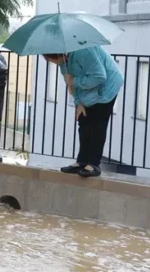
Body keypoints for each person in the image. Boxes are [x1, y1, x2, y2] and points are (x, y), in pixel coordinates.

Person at [43, 46, 124, 178]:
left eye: (49, 59)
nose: (49, 61)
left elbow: (99, 76)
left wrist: (74, 81)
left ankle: (93, 164)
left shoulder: (84, 51)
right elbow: (72, 87)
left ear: (55, 55)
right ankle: (82, 161)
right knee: (83, 121)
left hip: (108, 85)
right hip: (90, 89)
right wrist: (79, 103)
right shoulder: (63, 62)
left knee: (97, 124)